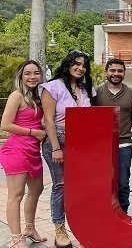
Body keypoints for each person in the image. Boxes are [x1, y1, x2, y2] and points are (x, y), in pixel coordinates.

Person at [41, 50, 96, 248]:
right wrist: (56, 147)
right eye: (77, 64)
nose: (80, 68)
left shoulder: (87, 88)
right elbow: (48, 119)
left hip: (81, 142)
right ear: (68, 64)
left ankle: (83, 225)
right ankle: (59, 229)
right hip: (59, 141)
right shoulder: (52, 87)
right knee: (61, 184)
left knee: (83, 184)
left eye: (84, 66)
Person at [0, 60, 48, 248]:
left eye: (36, 73)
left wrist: (45, 128)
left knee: (37, 190)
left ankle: (30, 228)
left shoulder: (37, 97)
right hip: (16, 150)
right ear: (21, 76)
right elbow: (5, 125)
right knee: (16, 194)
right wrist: (33, 132)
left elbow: (34, 122)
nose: (32, 77)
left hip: (33, 150)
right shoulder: (16, 95)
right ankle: (16, 237)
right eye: (27, 73)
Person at [92, 58, 132, 214]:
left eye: (120, 71)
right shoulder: (96, 93)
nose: (116, 74)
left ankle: (123, 214)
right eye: (112, 70)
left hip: (124, 146)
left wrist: (123, 129)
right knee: (103, 182)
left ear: (124, 73)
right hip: (102, 146)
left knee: (123, 183)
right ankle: (104, 214)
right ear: (106, 72)